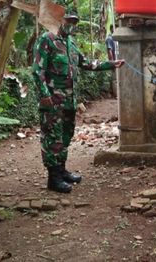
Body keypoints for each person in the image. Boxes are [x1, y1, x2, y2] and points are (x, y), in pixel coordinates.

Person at [32, 11, 125, 193]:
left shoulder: (71, 44)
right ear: (59, 20)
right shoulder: (47, 39)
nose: (71, 25)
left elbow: (86, 63)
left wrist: (111, 64)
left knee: (66, 136)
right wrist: (46, 96)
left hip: (69, 101)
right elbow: (37, 71)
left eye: (74, 22)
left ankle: (62, 170)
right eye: (68, 21)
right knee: (53, 138)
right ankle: (54, 178)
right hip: (53, 101)